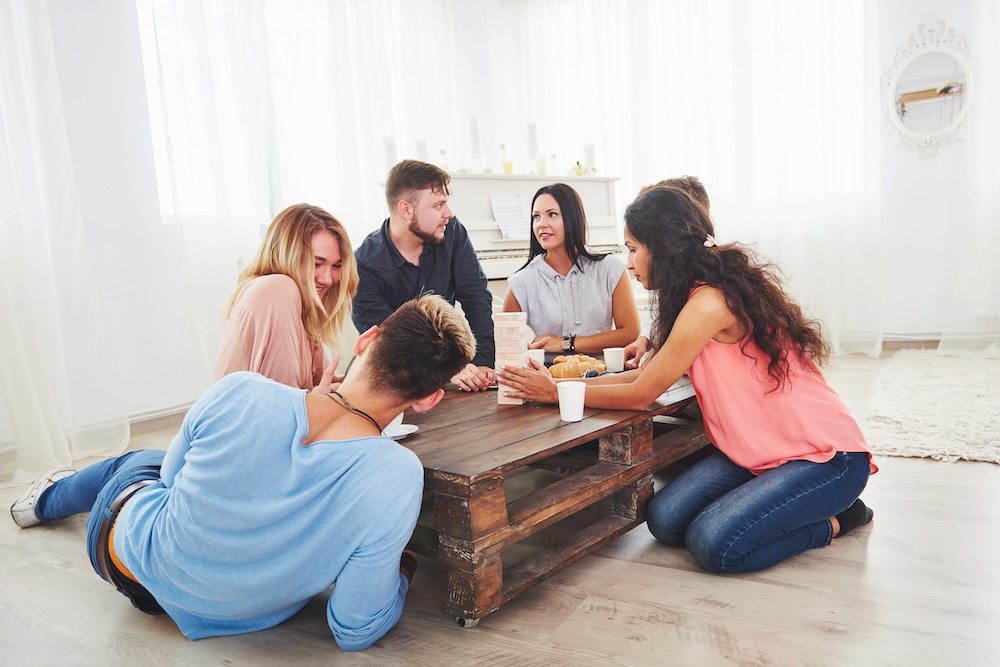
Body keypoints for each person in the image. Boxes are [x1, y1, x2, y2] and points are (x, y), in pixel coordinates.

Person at [10, 295, 475, 652]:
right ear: (429, 397)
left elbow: (171, 487)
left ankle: (45, 499)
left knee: (138, 464)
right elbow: (354, 629)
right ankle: (51, 492)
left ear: (365, 340)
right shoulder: (397, 475)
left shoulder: (240, 390)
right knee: (144, 465)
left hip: (123, 560)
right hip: (234, 614)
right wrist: (404, 568)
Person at [497, 186, 877, 574]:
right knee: (664, 520)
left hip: (825, 457)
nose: (628, 262)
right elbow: (638, 376)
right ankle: (766, 504)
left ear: (661, 248)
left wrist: (553, 394)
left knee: (715, 546)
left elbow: (640, 394)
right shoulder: (687, 300)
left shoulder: (709, 304)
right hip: (760, 454)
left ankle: (837, 520)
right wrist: (555, 388)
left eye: (632, 249)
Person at [353, 160, 496, 392]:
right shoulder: (364, 265)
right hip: (395, 383)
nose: (448, 213)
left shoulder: (452, 231)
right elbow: (385, 342)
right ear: (406, 210)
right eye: (438, 205)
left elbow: (476, 297)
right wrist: (451, 367)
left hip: (451, 377)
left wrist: (482, 363)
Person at [215, 203, 359, 391]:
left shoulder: (303, 308)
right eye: (316, 264)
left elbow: (318, 383)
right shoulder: (278, 289)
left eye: (336, 266)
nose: (328, 279)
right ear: (286, 255)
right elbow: (283, 408)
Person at [502, 183, 640, 359]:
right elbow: (508, 349)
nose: (541, 224)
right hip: (548, 376)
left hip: (603, 375)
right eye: (536, 217)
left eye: (552, 214)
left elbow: (630, 333)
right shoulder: (520, 282)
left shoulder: (610, 268)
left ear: (573, 218)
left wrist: (564, 343)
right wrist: (525, 350)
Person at [625, 175, 711, 369]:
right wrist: (645, 339)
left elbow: (641, 388)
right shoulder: (679, 280)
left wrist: (555, 390)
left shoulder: (706, 297)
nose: (629, 265)